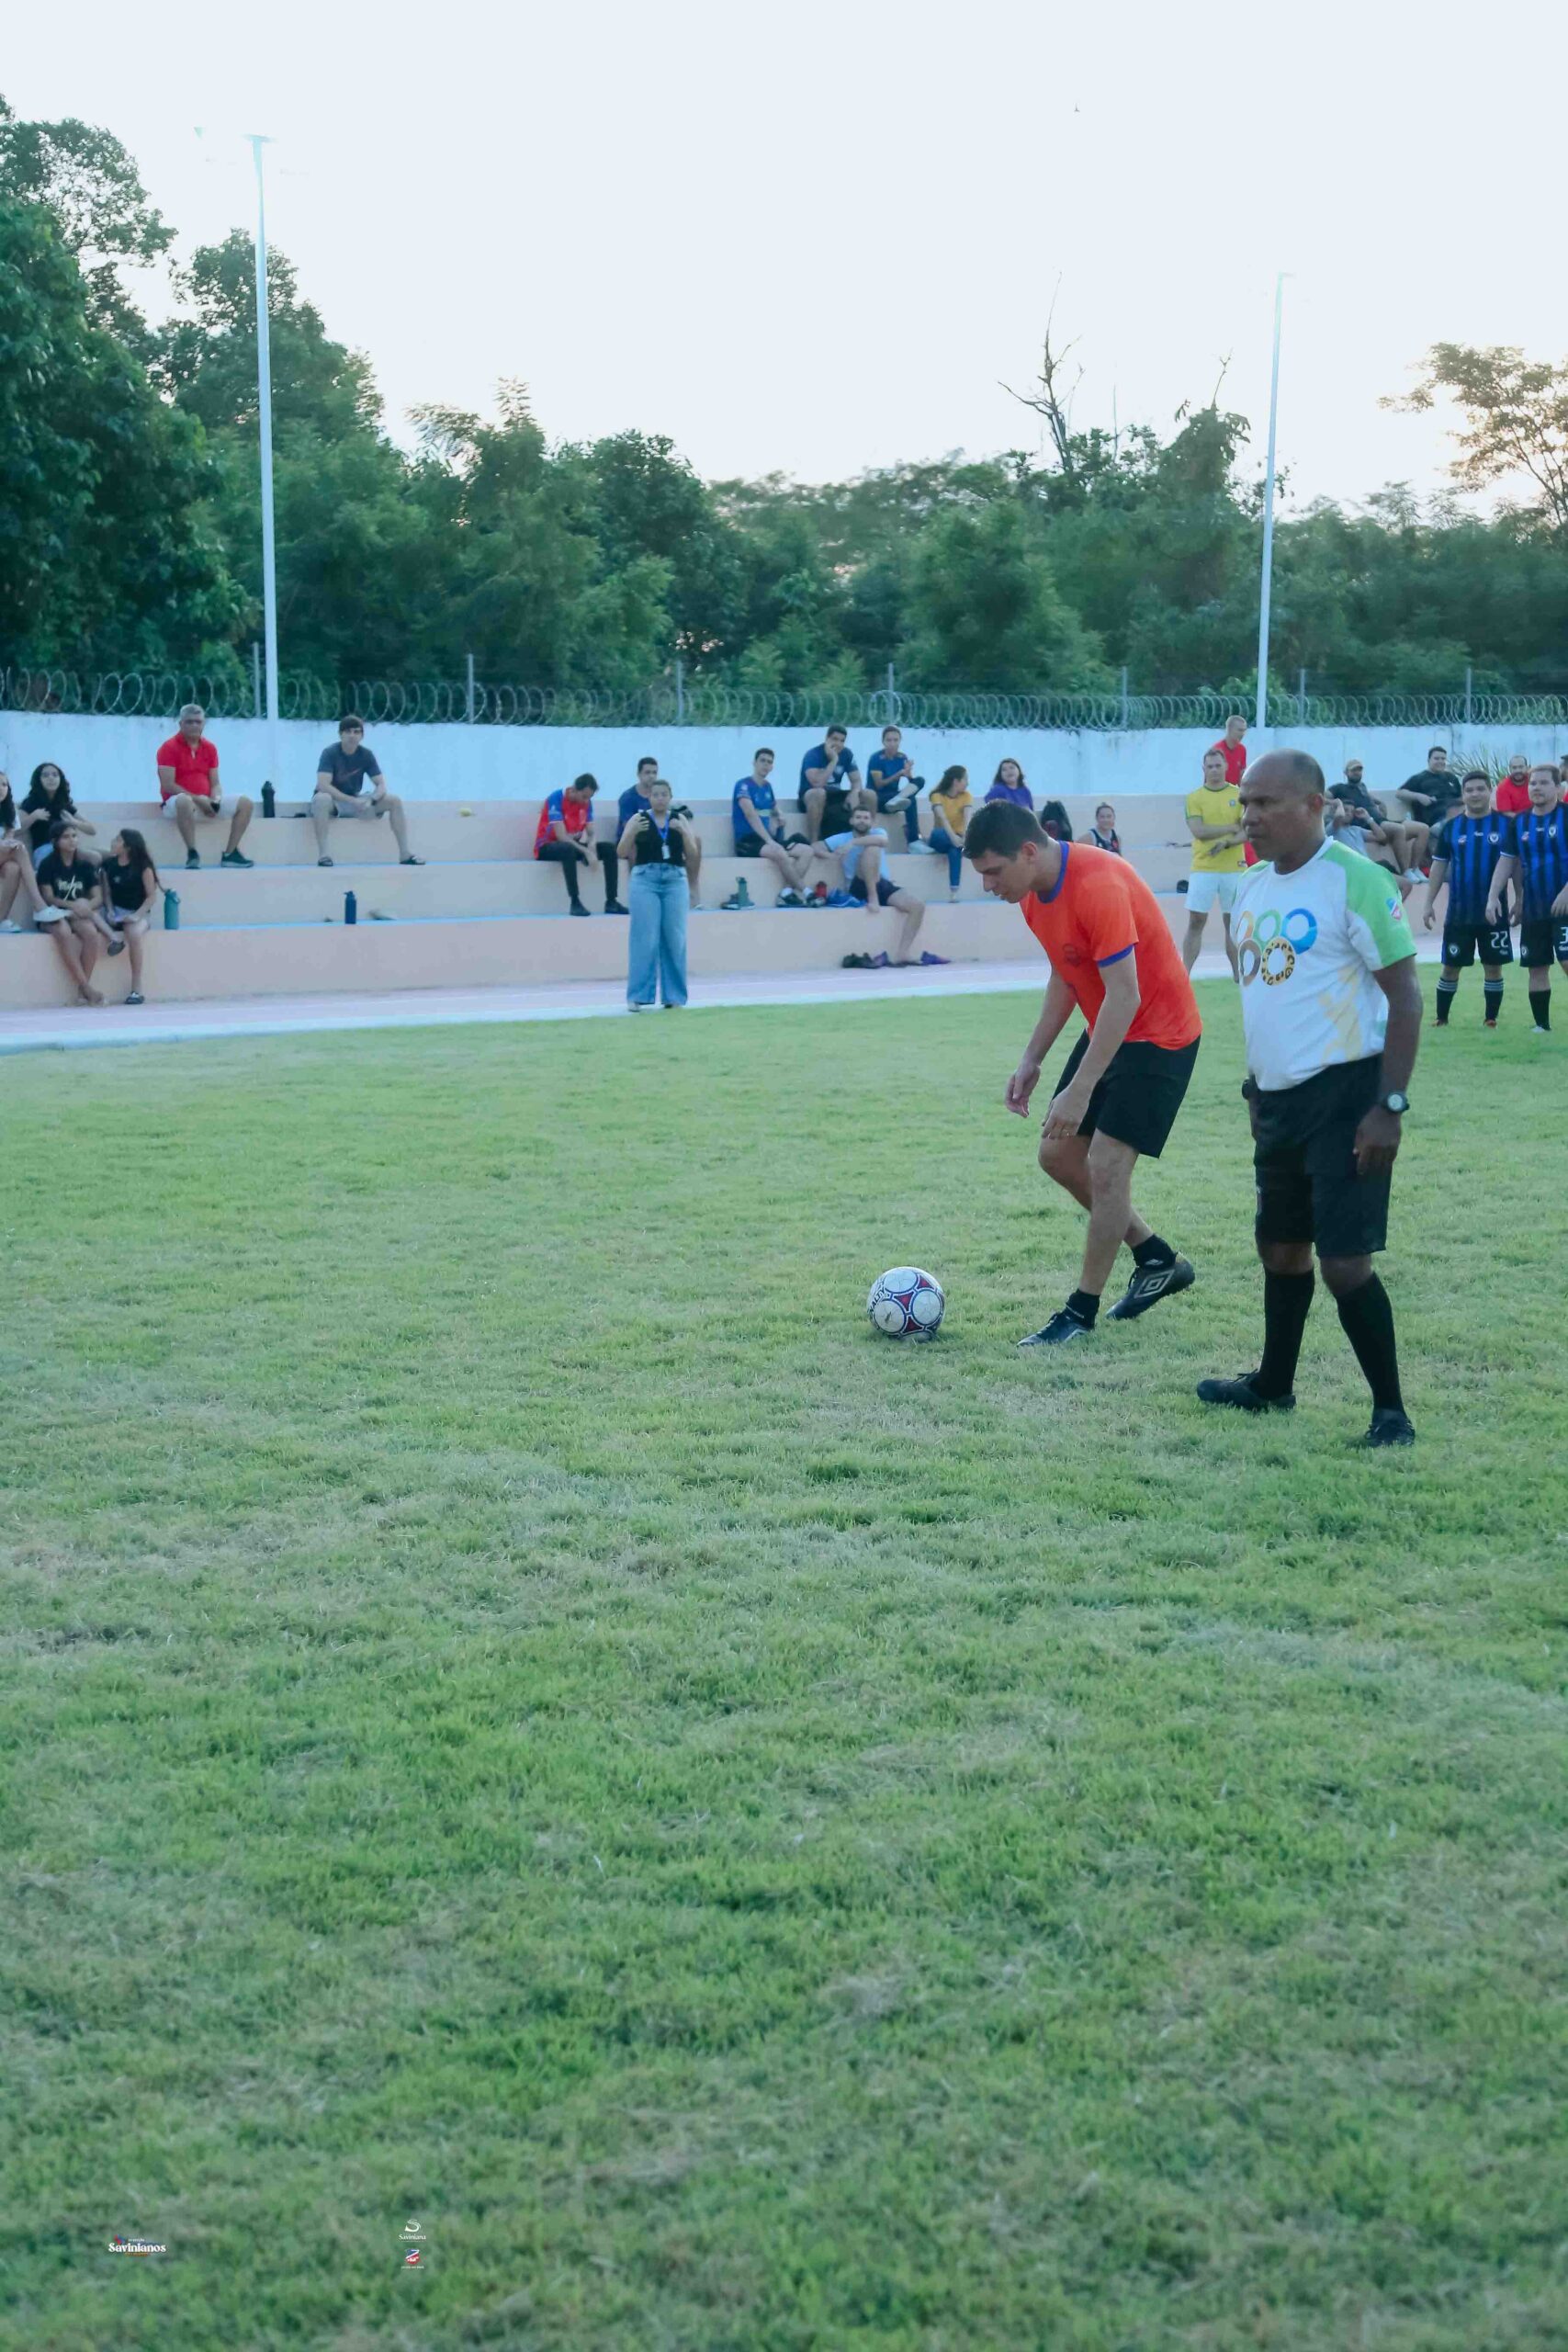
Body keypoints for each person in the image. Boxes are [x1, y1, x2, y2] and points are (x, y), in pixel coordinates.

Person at [1197, 750, 1422, 1447]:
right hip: (1277, 1102)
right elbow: (1267, 1001)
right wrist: (1253, 1088)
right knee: (1279, 1247)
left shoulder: (1355, 879)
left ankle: (1391, 1414)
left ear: (1315, 805)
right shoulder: (1250, 887)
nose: (1250, 816)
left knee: (1344, 1262)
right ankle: (1273, 1385)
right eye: (1246, 803)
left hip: (1348, 1096)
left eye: (1265, 803)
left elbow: (1405, 999)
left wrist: (1388, 1106)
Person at [965, 803, 1201, 1348]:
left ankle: (1080, 1312)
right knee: (1057, 1155)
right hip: (1111, 1028)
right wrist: (1033, 1057)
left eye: (993, 871)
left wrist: (1080, 1088)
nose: (987, 885)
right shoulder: (1031, 894)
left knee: (1107, 1166)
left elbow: (1126, 995)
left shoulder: (1098, 884)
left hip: (1159, 1036)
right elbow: (1066, 973)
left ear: (1029, 851)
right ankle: (1156, 1258)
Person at [1423, 772, 1512, 1029]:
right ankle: (1441, 1018)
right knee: (1450, 966)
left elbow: (1515, 866)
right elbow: (1439, 867)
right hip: (1459, 913)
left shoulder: (1506, 825)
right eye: (1469, 790)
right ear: (1463, 794)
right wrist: (1428, 903)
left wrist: (1520, 899)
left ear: (1489, 791)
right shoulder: (1451, 828)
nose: (1475, 794)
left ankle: (1491, 1019)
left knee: (1493, 967)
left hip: (1495, 912)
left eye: (1480, 789)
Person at [1486, 762, 1568, 1034]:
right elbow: (1506, 861)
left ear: (1558, 787)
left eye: (1544, 783)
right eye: (1533, 783)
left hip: (1566, 905)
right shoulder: (1519, 822)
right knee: (1536, 965)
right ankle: (1542, 1026)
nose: (1537, 787)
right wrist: (1493, 897)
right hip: (1534, 907)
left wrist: (1566, 892)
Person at [618, 777, 696, 1008]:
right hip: (645, 879)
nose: (660, 799)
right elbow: (621, 851)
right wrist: (631, 832)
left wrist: (684, 833)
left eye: (664, 795)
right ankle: (638, 996)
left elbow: (692, 854)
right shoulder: (639, 818)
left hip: (674, 879)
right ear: (649, 797)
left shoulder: (679, 819)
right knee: (645, 937)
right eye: (655, 795)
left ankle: (674, 997)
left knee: (675, 938)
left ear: (670, 797)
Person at [828, 807, 937, 968]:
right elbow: (817, 847)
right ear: (851, 820)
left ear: (872, 822)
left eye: (866, 818)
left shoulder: (878, 832)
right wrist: (832, 856)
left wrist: (853, 843)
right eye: (858, 817)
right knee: (872, 849)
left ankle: (902, 953)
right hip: (858, 885)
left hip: (882, 883)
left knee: (917, 906)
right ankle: (873, 897)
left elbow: (883, 841)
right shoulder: (841, 838)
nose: (862, 821)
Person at [310, 716, 423, 867]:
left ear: (362, 736)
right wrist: (352, 801)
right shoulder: (330, 753)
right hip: (334, 802)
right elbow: (323, 785)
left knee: (394, 801)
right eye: (348, 732)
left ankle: (405, 854)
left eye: (356, 732)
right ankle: (323, 855)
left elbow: (381, 785)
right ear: (340, 734)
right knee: (321, 799)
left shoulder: (366, 755)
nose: (352, 736)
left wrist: (371, 800)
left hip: (356, 801)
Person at [155, 706, 254, 870]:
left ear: (203, 724)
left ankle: (230, 854)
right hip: (177, 804)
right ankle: (192, 853)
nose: (194, 725)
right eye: (189, 722)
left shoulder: (210, 748)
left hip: (205, 801)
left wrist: (215, 800)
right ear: (181, 724)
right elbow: (168, 785)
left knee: (246, 803)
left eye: (198, 722)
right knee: (184, 801)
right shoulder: (168, 748)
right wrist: (199, 800)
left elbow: (215, 783)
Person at [1182, 747, 1247, 978]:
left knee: (1233, 923)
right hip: (1204, 867)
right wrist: (1230, 828)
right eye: (1210, 766)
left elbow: (1246, 831)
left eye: (1218, 765)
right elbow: (1199, 831)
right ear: (1204, 769)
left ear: (1226, 766)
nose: (1214, 770)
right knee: (1196, 920)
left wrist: (1228, 843)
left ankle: (1238, 975)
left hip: (1234, 867)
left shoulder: (1239, 795)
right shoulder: (1194, 798)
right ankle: (1184, 975)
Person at [730, 749, 819, 905]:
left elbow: (774, 807)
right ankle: (807, 892)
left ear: (772, 767)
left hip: (767, 840)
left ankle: (786, 892)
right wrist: (769, 840)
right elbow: (751, 815)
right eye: (762, 761)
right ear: (754, 763)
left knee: (807, 851)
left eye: (769, 762)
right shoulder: (743, 785)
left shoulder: (767, 787)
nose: (765, 765)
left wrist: (779, 815)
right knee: (779, 851)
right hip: (748, 842)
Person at [534, 775, 626, 915]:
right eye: (584, 797)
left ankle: (611, 901)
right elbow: (561, 836)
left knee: (609, 849)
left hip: (572, 845)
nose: (586, 801)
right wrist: (586, 852)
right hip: (547, 846)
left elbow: (591, 832)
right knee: (568, 849)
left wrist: (592, 846)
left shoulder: (587, 803)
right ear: (574, 790)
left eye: (589, 797)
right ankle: (575, 902)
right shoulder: (556, 798)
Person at [35, 821, 107, 1004]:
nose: (72, 840)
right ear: (55, 841)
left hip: (78, 913)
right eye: (66, 837)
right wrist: (73, 906)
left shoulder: (85, 866)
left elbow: (98, 897)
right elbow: (48, 897)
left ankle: (83, 991)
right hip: (53, 914)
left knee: (91, 933)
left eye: (74, 836)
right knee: (63, 931)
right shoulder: (47, 864)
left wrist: (85, 907)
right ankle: (87, 988)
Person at [1328, 758, 1427, 886]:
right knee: (1398, 829)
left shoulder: (1362, 788)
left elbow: (1369, 798)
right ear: (1346, 773)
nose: (1357, 772)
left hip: (1381, 820)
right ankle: (1406, 871)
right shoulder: (1340, 788)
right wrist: (1336, 804)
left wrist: (1380, 803)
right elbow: (1324, 796)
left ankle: (1415, 869)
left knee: (1423, 829)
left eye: (1359, 769)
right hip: (1370, 824)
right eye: (1353, 770)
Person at [619, 758, 703, 906]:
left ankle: (692, 886)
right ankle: (636, 887)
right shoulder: (628, 797)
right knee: (635, 845)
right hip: (640, 837)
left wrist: (681, 830)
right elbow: (628, 828)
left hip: (661, 837)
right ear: (639, 774)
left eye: (654, 772)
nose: (651, 776)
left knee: (695, 839)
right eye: (647, 772)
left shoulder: (662, 796)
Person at [95, 828, 161, 1004]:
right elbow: (107, 893)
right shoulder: (108, 865)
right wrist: (110, 910)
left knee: (134, 933)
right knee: (91, 915)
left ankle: (136, 989)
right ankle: (115, 938)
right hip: (115, 910)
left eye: (118, 840)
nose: (113, 842)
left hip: (137, 912)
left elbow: (151, 897)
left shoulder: (143, 867)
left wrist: (136, 916)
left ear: (128, 846)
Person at [798, 727, 869, 844]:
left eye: (842, 741)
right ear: (827, 739)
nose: (838, 744)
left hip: (834, 794)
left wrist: (855, 792)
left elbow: (857, 781)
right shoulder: (813, 755)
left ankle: (865, 838)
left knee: (868, 794)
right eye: (835, 739)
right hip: (811, 796)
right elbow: (817, 783)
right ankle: (814, 841)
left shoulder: (847, 754)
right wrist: (834, 760)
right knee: (818, 793)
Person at [0, 772, 51, 931]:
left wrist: (7, 844)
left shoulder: (9, 811)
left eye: (4, 785)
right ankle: (39, 906)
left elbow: (8, 839)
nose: (1, 788)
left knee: (13, 868)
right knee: (20, 849)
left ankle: (1, 919)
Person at [19, 763, 96, 867]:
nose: (51, 778)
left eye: (55, 775)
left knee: (95, 857)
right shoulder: (31, 802)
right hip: (45, 849)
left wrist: (74, 822)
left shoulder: (64, 804)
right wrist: (33, 816)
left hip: (68, 847)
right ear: (39, 780)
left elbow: (92, 830)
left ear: (60, 779)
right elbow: (16, 829)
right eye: (45, 775)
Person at [866, 724, 923, 846]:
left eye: (895, 740)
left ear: (900, 741)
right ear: (883, 742)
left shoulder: (902, 757)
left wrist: (908, 774)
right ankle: (895, 801)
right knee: (910, 800)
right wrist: (897, 775)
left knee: (920, 781)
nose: (892, 744)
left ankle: (914, 842)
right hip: (879, 798)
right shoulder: (876, 758)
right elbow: (879, 785)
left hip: (895, 797)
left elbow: (911, 784)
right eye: (889, 740)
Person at [926, 765, 974, 899]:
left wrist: (965, 838)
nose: (967, 783)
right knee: (943, 836)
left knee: (955, 850)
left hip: (958, 837)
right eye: (965, 779)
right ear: (955, 781)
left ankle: (954, 891)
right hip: (941, 836)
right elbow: (942, 819)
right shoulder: (937, 796)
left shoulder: (966, 796)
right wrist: (953, 837)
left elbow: (967, 818)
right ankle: (959, 845)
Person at [1394, 745, 1461, 839]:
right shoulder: (1419, 778)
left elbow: (1461, 797)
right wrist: (1419, 796)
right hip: (1436, 820)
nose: (1440, 761)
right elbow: (1399, 793)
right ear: (1429, 760)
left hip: (1457, 816)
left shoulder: (1451, 778)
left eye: (1443, 759)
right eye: (1436, 759)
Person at [1208, 713, 1248, 786]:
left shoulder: (1242, 749)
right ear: (1229, 730)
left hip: (1233, 790)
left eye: (1244, 730)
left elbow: (1241, 776)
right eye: (1240, 730)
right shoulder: (1217, 750)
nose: (1243, 734)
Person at [1494, 753, 1531, 817]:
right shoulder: (1503, 787)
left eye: (1521, 767)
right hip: (1515, 820)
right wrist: (1525, 820)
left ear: (1527, 768)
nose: (1518, 770)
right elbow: (1506, 813)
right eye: (1514, 768)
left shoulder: (1534, 781)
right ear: (1510, 769)